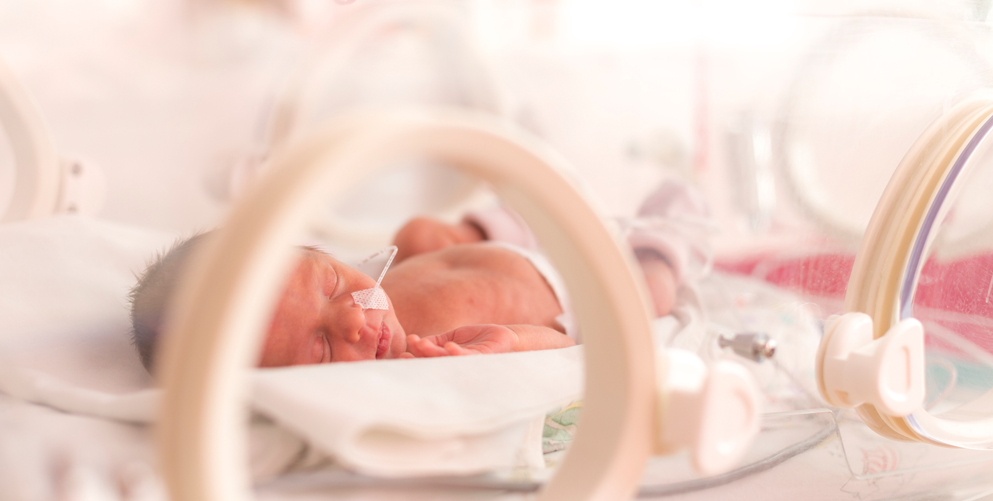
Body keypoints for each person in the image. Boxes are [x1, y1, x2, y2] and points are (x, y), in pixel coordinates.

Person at [130, 179, 710, 371]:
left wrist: (438, 245)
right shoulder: (422, 358)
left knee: (423, 236)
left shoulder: (369, 296)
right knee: (647, 299)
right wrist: (508, 345)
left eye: (331, 284)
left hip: (512, 244)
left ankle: (548, 207)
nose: (358, 319)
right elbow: (562, 349)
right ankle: (666, 236)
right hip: (581, 295)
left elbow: (379, 277)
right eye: (323, 349)